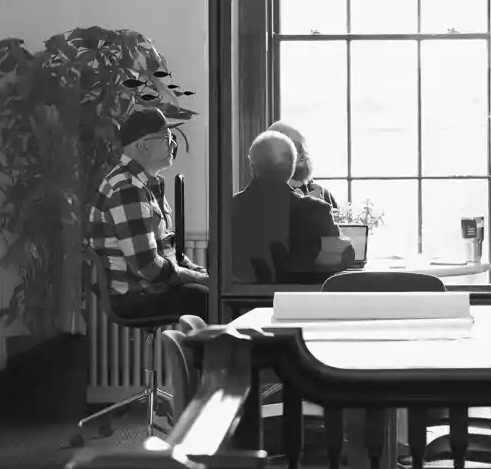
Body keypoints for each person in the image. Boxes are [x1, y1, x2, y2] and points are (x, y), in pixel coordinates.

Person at [91, 108, 209, 321]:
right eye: (167, 138)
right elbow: (149, 267)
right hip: (135, 295)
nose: (173, 145)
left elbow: (168, 251)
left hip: (149, 289)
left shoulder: (143, 183)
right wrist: (197, 278)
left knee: (214, 293)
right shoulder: (127, 189)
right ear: (143, 146)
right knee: (212, 300)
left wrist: (201, 273)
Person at [229, 129, 348, 283]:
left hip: (240, 305)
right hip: (299, 304)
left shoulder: (228, 208)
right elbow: (344, 256)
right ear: (291, 168)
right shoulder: (316, 210)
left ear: (252, 164)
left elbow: (214, 265)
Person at [268, 119, 340, 210]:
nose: (304, 152)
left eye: (304, 146)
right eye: (296, 146)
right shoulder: (264, 198)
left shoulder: (324, 195)